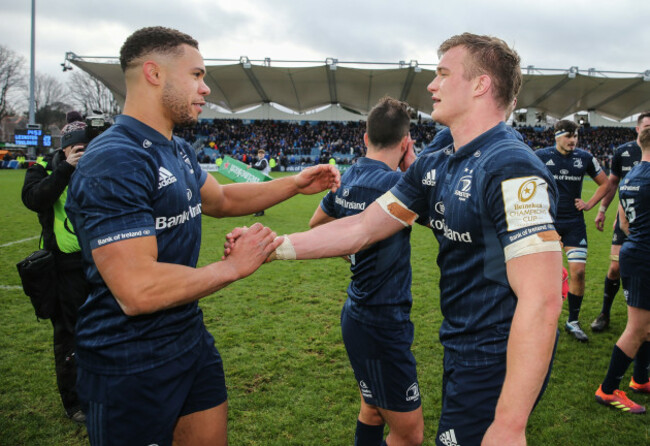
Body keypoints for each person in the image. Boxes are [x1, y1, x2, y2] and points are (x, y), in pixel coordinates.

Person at [228, 32, 563, 445]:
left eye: (442, 74)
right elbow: (363, 227)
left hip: (496, 354)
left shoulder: (511, 167)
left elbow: (543, 298)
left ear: (480, 85)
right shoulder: (437, 163)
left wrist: (510, 425)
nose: (431, 85)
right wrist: (271, 247)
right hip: (460, 342)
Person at [64, 26, 339, 446]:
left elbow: (223, 199)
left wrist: (295, 184)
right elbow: (137, 290)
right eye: (196, 75)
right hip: (128, 359)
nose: (206, 88)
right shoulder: (116, 159)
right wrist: (231, 267)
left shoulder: (176, 148)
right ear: (154, 73)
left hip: (188, 338)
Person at [309, 97, 420, 446]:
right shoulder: (398, 187)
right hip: (383, 321)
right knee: (410, 435)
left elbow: (316, 226)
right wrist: (414, 167)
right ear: (405, 143)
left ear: (365, 136)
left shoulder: (349, 176)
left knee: (372, 408)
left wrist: (351, 248)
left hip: (357, 314)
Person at [21, 111, 92, 424]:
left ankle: (105, 390)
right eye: (78, 148)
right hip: (63, 266)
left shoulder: (95, 164)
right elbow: (35, 199)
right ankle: (74, 402)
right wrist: (66, 168)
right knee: (69, 336)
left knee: (105, 328)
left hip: (97, 262)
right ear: (65, 148)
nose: (83, 152)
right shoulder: (44, 167)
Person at [535, 120, 609, 342]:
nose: (573, 141)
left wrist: (588, 204)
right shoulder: (540, 156)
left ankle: (572, 321)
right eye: (568, 136)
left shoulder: (585, 158)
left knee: (578, 272)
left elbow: (605, 184)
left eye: (575, 136)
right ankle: (542, 320)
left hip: (574, 223)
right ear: (557, 136)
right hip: (548, 223)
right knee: (545, 275)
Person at [594, 126, 650, 414]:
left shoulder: (632, 176)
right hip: (645, 257)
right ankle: (607, 389)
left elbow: (624, 223)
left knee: (647, 326)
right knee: (638, 328)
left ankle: (641, 379)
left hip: (634, 251)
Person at [591, 111, 650, 332]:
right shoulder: (623, 152)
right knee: (615, 267)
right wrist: (602, 210)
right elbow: (613, 183)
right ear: (637, 128)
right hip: (625, 218)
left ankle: (638, 314)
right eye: (647, 127)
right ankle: (605, 313)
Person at [252, 148, 271, 216]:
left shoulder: (264, 161)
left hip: (263, 181)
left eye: (262, 153)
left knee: (258, 197)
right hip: (259, 181)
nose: (260, 154)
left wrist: (252, 166)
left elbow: (261, 167)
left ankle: (259, 211)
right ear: (257, 154)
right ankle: (261, 211)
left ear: (264, 154)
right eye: (259, 153)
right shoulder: (258, 162)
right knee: (259, 197)